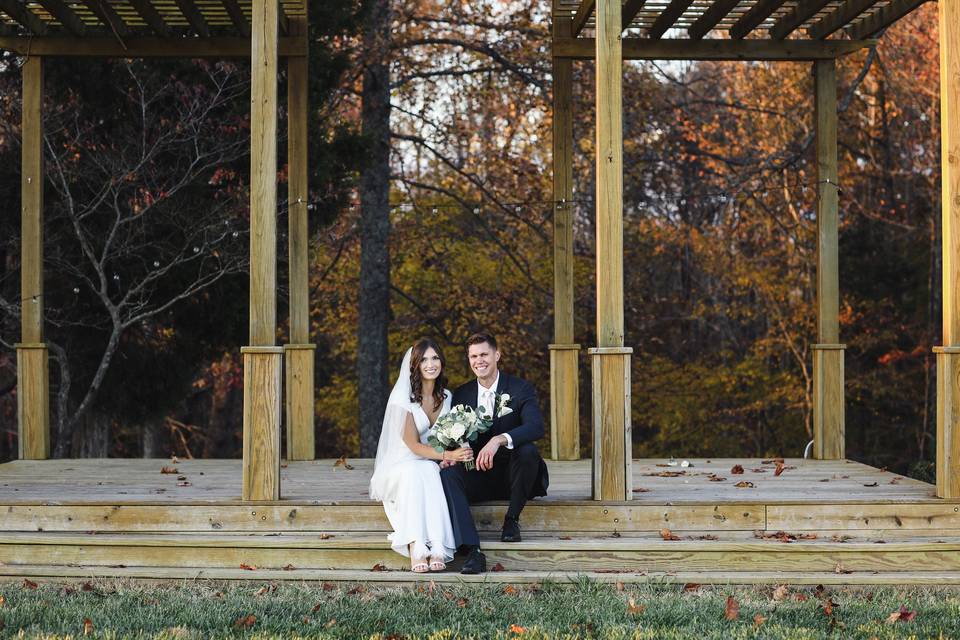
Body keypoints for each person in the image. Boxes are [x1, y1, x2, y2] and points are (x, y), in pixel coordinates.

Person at [440, 332, 549, 574]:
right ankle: (472, 550)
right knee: (448, 475)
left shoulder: (520, 388)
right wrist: (456, 451)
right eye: (473, 356)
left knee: (529, 451)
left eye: (484, 354)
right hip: (479, 475)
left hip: (515, 476)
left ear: (497, 355)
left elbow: (536, 426)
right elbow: (454, 433)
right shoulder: (462, 394)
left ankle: (511, 521)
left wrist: (498, 440)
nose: (479, 360)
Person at [369, 338, 473, 572]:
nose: (430, 364)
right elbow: (414, 446)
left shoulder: (446, 397)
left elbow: (448, 435)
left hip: (429, 461)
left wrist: (452, 453)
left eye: (435, 358)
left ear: (441, 362)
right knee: (418, 470)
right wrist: (450, 454)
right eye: (424, 359)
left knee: (429, 470)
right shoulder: (402, 400)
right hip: (402, 463)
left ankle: (437, 546)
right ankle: (416, 546)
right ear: (414, 365)